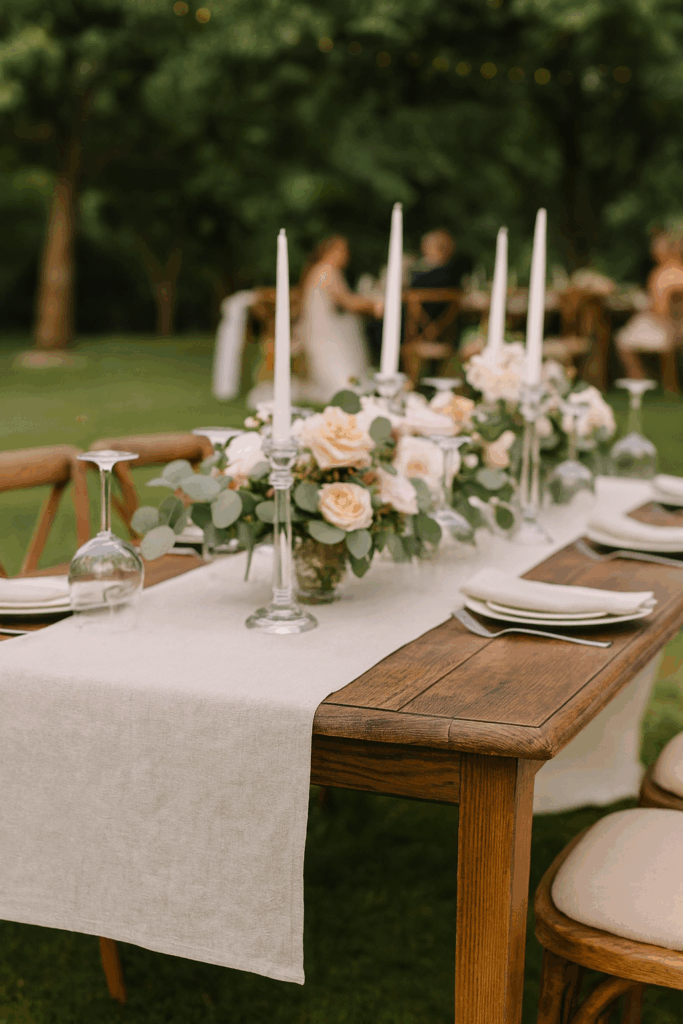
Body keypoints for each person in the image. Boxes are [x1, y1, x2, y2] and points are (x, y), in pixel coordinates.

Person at [293, 236, 382, 403]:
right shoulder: (327, 271)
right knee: (343, 385)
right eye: (344, 250)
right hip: (324, 332)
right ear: (331, 251)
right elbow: (348, 302)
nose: (347, 255)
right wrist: (374, 303)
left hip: (323, 329)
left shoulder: (321, 270)